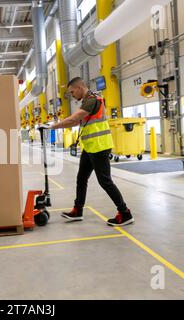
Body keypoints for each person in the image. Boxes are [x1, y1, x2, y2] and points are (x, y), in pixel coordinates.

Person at [40, 77, 134, 227]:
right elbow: (78, 121)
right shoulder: (87, 101)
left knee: (105, 181)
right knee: (81, 178)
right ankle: (78, 210)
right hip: (90, 147)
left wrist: (51, 128)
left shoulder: (92, 100)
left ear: (79, 88)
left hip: (99, 146)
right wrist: (54, 125)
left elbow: (74, 119)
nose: (72, 96)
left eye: (72, 92)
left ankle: (125, 213)